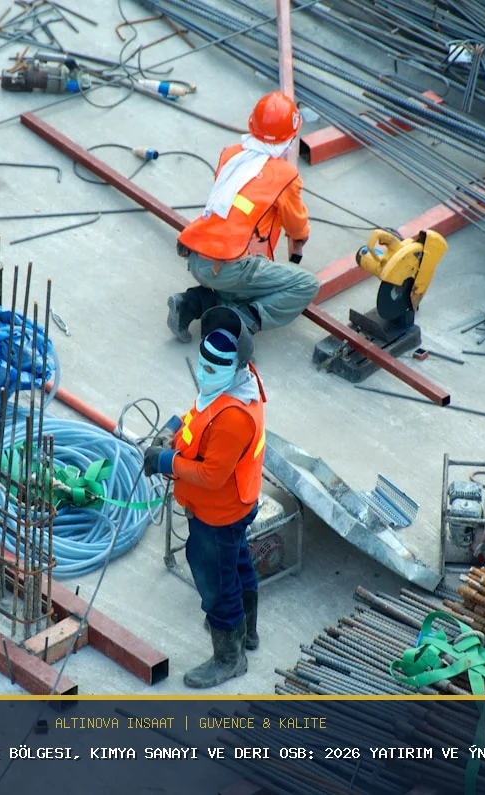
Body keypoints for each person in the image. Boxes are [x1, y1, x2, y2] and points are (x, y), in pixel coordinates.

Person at [143, 307, 267, 688]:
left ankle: (230, 658)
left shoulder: (234, 417)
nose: (205, 373)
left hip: (219, 512)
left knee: (216, 584)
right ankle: (246, 633)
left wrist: (167, 459)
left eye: (214, 368)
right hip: (235, 506)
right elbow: (200, 416)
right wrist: (175, 430)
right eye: (204, 364)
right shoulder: (234, 385)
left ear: (236, 365)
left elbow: (213, 476)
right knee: (238, 563)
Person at [168, 91, 319, 343]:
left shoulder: (231, 154)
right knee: (305, 285)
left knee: (245, 279)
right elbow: (295, 225)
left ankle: (190, 304)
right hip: (227, 267)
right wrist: (300, 238)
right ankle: (242, 320)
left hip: (196, 255)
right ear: (290, 137)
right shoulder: (285, 175)